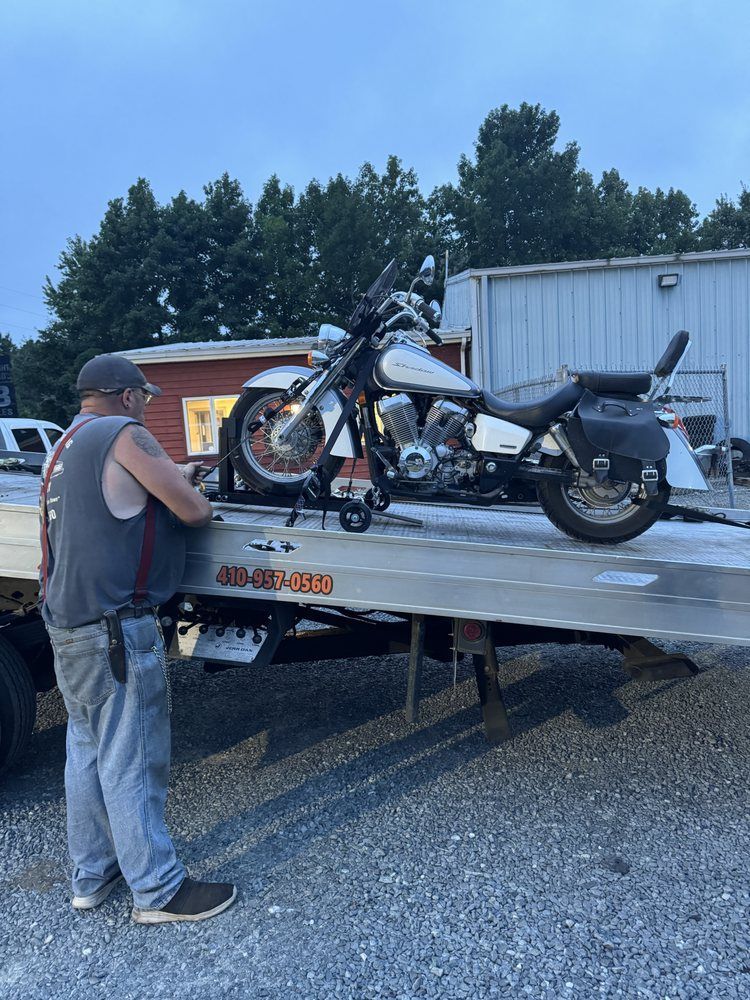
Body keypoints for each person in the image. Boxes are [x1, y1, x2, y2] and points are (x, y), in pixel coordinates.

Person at [41, 353, 237, 924]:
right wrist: (181, 482)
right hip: (115, 631)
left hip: (68, 625)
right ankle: (157, 890)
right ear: (126, 397)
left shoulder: (64, 443)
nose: (147, 408)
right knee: (132, 757)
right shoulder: (124, 432)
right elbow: (195, 511)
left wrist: (170, 471)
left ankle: (91, 874)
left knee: (87, 751)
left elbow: (116, 497)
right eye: (146, 398)